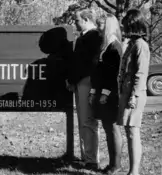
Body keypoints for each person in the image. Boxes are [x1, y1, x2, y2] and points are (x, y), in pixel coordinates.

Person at [66, 8, 102, 170]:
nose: (74, 23)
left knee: (88, 121)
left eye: (77, 20)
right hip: (79, 82)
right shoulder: (83, 37)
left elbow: (87, 64)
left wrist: (74, 79)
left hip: (87, 81)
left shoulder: (95, 36)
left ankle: (92, 160)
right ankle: (86, 157)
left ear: (86, 20)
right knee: (82, 120)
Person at [89, 14, 123, 175]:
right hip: (101, 92)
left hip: (110, 94)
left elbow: (113, 74)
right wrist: (94, 91)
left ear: (109, 25)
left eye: (101, 25)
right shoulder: (103, 45)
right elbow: (98, 72)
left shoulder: (115, 46)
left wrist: (105, 93)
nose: (98, 28)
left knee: (113, 129)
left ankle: (116, 165)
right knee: (107, 128)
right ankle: (111, 164)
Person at [118, 9, 150, 175]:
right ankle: (132, 171)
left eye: (125, 26)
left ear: (134, 25)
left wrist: (134, 96)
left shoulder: (141, 46)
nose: (123, 29)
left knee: (133, 131)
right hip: (127, 91)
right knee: (129, 131)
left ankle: (134, 172)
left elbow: (141, 73)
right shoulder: (131, 45)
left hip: (134, 94)